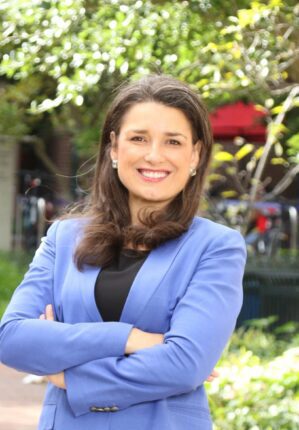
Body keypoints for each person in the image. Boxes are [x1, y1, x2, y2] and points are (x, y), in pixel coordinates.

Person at [0, 75, 246, 430]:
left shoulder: (216, 247)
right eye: (138, 138)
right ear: (114, 148)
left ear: (195, 154)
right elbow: (12, 339)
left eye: (173, 141)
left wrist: (66, 375)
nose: (154, 155)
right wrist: (132, 339)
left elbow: (184, 365)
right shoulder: (64, 237)